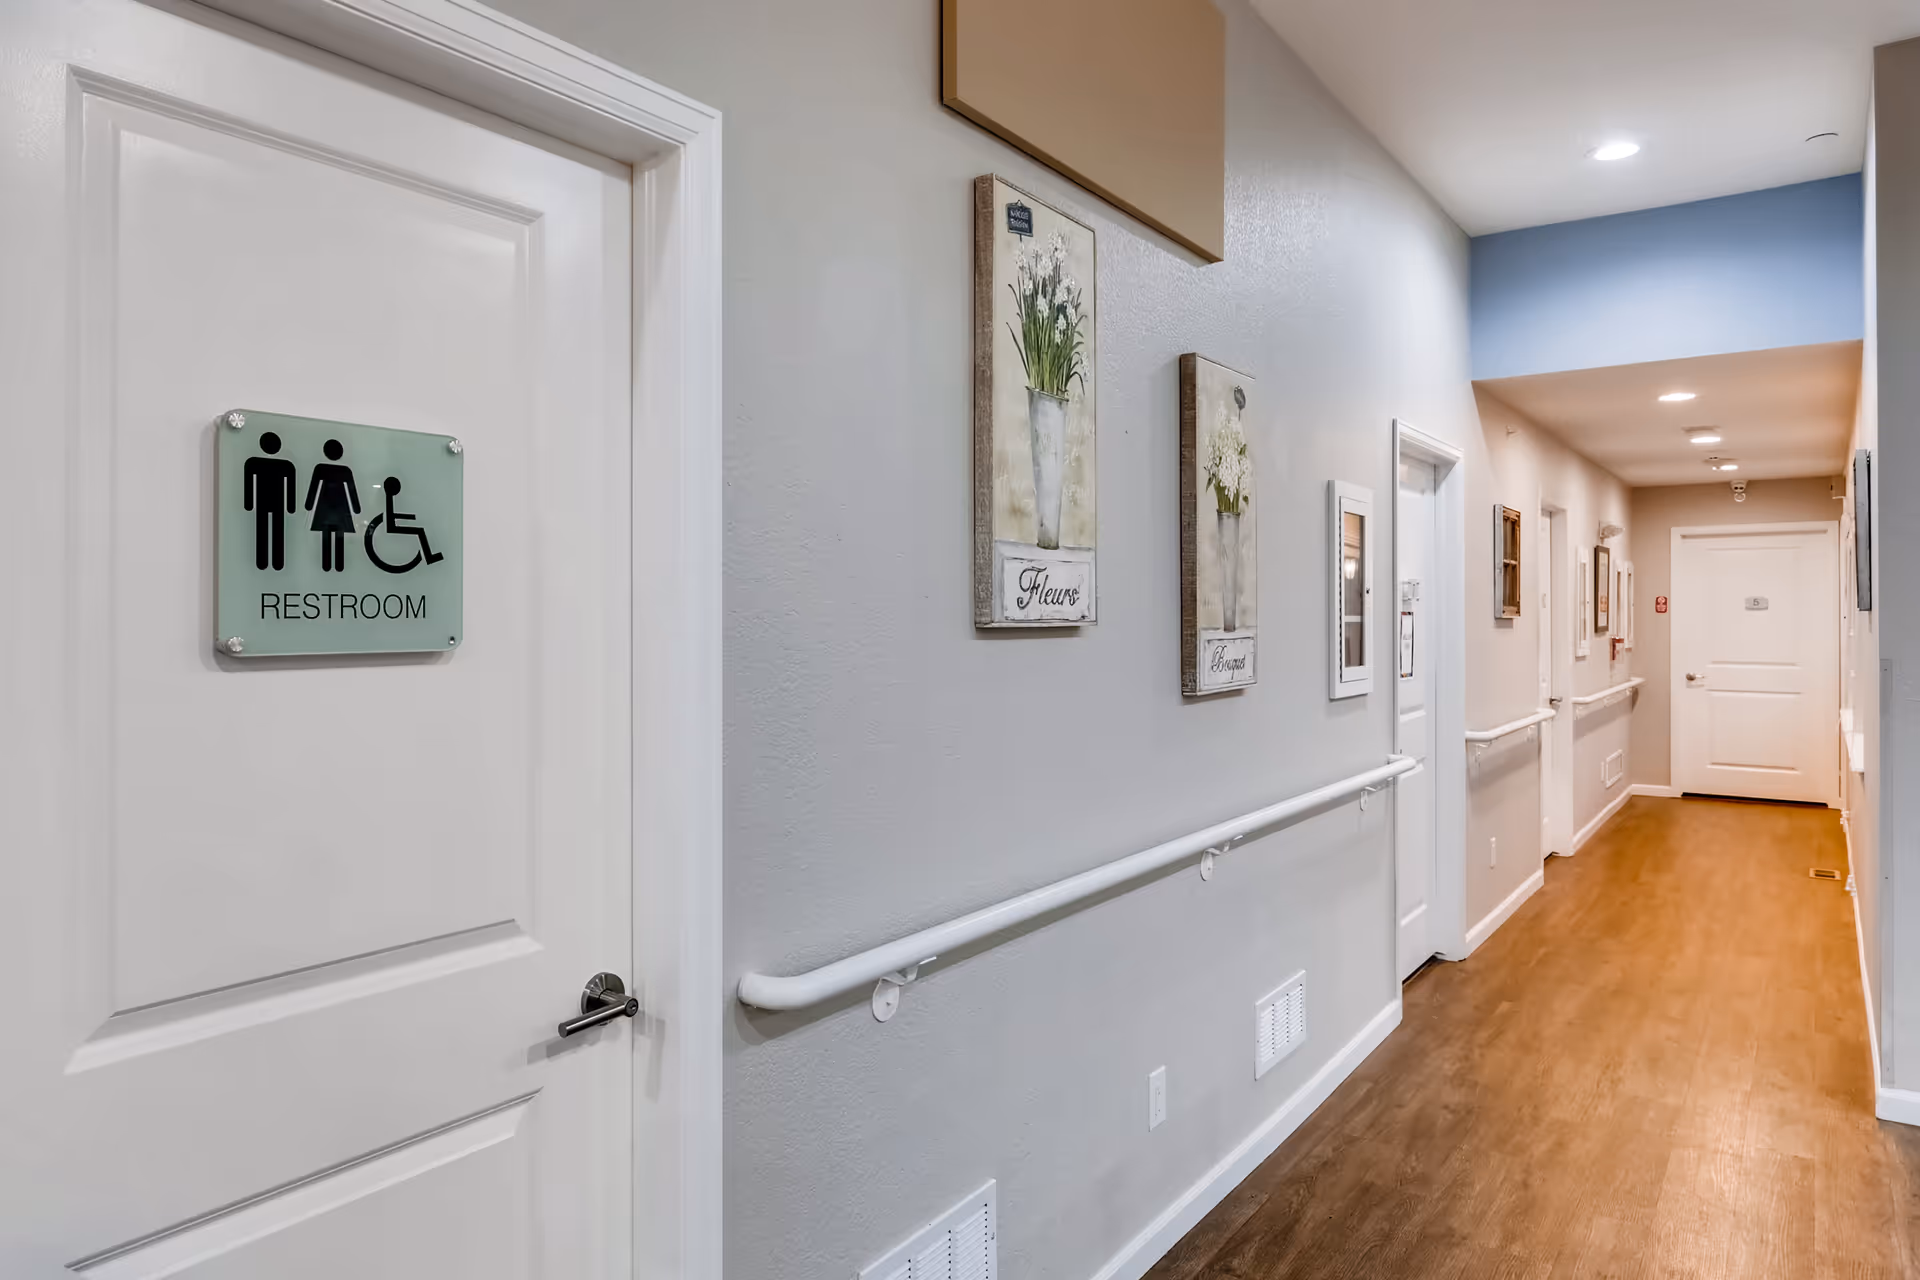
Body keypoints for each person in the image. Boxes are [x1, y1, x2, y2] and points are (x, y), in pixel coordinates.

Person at [365, 476, 443, 573]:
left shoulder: (390, 498)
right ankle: (429, 556)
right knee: (419, 531)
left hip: (390, 521)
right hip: (390, 523)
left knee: (419, 531)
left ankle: (429, 556)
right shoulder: (388, 498)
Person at [303, 439, 360, 572]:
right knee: (336, 535)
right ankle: (334, 565)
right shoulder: (343, 470)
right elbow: (352, 492)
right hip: (339, 508)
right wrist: (356, 508)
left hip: (327, 508)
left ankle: (328, 565)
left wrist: (309, 505)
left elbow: (314, 488)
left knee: (328, 535)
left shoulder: (322, 469)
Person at [243, 432, 296, 571]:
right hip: (275, 503)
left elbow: (291, 486)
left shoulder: (255, 463)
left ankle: (269, 562)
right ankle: (270, 562)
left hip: (265, 503)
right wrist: (291, 506)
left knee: (268, 530)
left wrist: (249, 504)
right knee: (272, 530)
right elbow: (249, 483)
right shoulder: (285, 465)